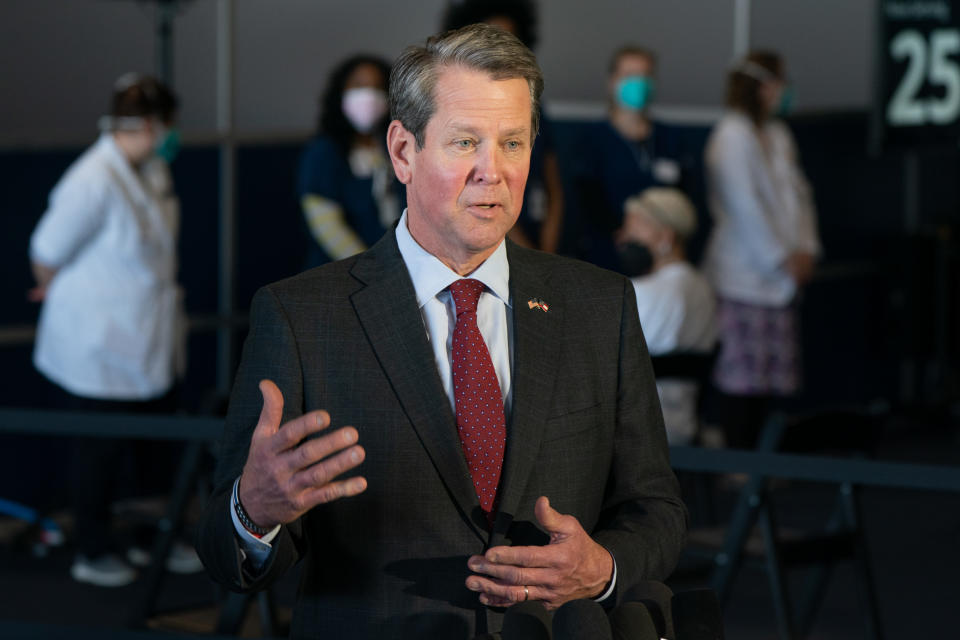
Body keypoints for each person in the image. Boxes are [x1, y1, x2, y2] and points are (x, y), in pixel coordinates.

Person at [196, 25, 686, 639]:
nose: (494, 171)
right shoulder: (301, 317)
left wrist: (603, 569)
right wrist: (255, 511)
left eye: (513, 142)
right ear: (403, 152)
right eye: (464, 142)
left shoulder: (598, 304)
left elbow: (656, 509)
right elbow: (221, 553)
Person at [29, 73, 192, 586]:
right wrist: (57, 290)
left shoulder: (149, 169)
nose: (172, 135)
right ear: (149, 124)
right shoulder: (92, 179)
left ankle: (150, 538)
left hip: (146, 337)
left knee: (153, 449)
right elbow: (45, 253)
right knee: (98, 452)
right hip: (98, 345)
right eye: (168, 126)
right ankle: (92, 550)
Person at [701, 51, 821, 449]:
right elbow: (744, 204)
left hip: (784, 278)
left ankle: (763, 461)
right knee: (742, 378)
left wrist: (805, 249)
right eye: (779, 81)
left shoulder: (779, 134)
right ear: (762, 85)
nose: (784, 91)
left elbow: (799, 196)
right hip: (743, 275)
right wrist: (779, 257)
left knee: (771, 377)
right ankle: (739, 463)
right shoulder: (731, 136)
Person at [442, 0, 564, 254]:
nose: (499, 49)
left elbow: (554, 189)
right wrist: (528, 254)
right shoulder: (457, 108)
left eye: (509, 40)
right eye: (490, 39)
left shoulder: (535, 107)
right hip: (485, 240)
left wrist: (545, 254)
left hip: (536, 239)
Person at [574, 46, 688, 274]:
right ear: (612, 82)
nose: (638, 83)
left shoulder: (670, 139)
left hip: (663, 260)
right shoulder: (592, 140)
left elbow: (685, 196)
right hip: (607, 260)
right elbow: (586, 201)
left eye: (644, 76)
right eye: (629, 76)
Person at [619, 188, 717, 445]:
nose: (624, 238)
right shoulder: (703, 287)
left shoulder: (638, 293)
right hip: (688, 425)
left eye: (634, 230)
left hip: (636, 429)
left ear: (666, 236)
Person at [298, 54, 403, 269]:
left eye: (377, 87)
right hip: (343, 273)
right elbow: (327, 227)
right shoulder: (324, 152)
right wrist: (369, 268)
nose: (369, 95)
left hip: (396, 268)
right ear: (340, 92)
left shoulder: (394, 146)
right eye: (359, 86)